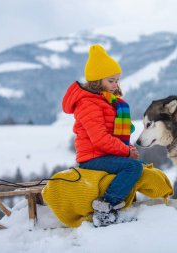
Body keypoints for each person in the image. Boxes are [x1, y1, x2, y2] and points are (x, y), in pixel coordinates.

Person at [62, 44, 143, 226]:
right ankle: (105, 208)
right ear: (97, 81)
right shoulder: (88, 104)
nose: (115, 85)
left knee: (140, 165)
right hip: (92, 157)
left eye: (117, 81)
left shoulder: (106, 100)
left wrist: (128, 148)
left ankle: (126, 206)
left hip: (105, 153)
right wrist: (126, 152)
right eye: (111, 81)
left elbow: (115, 134)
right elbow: (100, 139)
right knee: (133, 168)